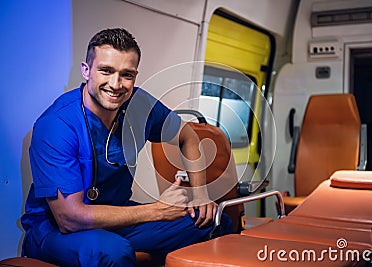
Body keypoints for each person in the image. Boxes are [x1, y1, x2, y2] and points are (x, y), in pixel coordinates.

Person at [21, 28, 232, 266]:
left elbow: (188, 136)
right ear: (86, 70)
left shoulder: (139, 105)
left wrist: (200, 195)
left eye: (127, 75)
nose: (116, 84)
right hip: (56, 231)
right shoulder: (57, 126)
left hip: (118, 217)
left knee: (213, 221)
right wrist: (157, 211)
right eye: (106, 71)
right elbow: (70, 219)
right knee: (114, 252)